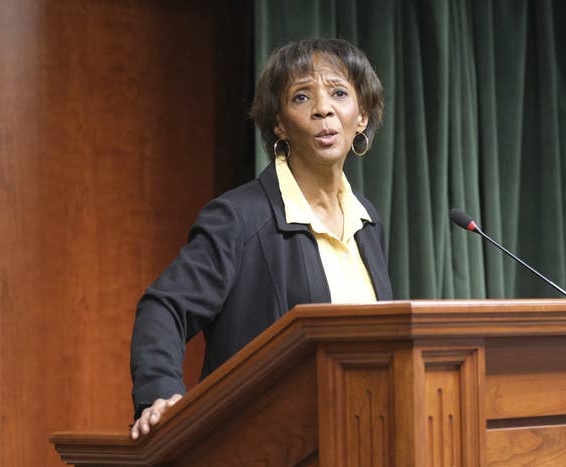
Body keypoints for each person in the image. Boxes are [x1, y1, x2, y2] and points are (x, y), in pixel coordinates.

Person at [129, 38, 393, 440]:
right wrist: (161, 394)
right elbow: (164, 307)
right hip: (265, 444)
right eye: (302, 96)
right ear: (279, 123)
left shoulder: (366, 219)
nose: (323, 108)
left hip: (362, 439)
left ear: (362, 115)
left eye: (339, 92)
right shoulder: (238, 217)